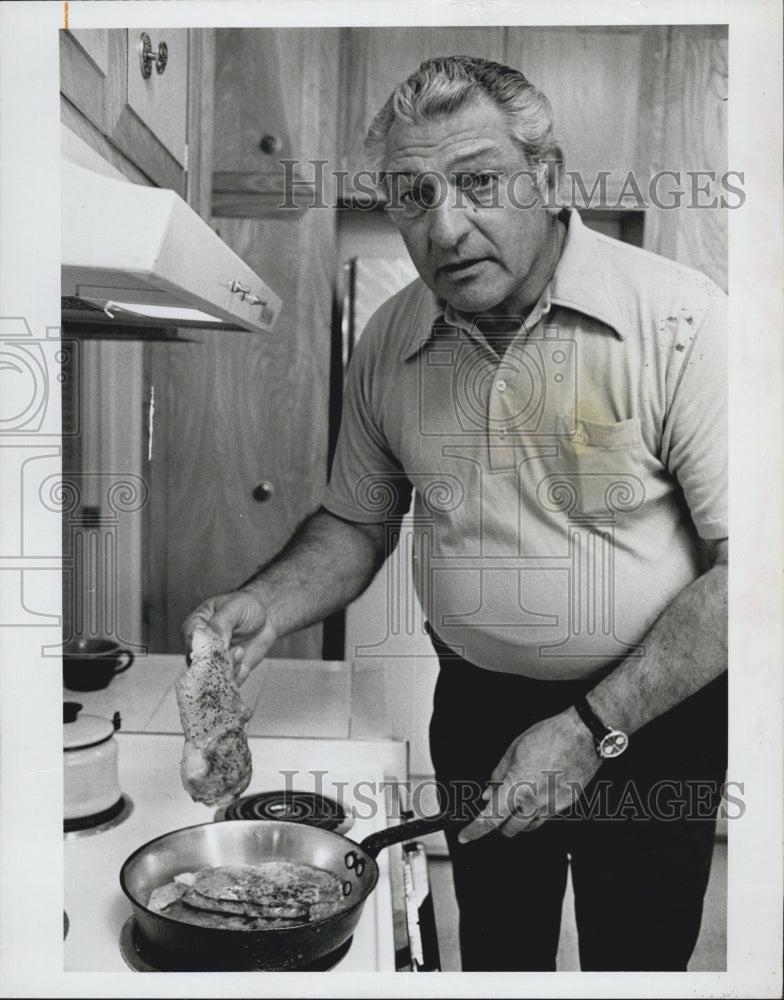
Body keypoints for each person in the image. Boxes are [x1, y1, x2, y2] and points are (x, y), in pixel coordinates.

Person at [184, 56, 728, 971]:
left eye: (478, 181)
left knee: (638, 964)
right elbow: (356, 524)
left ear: (548, 179)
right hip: (477, 708)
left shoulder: (681, 321)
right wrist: (263, 607)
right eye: (411, 193)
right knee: (499, 955)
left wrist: (593, 728)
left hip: (651, 723)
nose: (444, 225)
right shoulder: (390, 340)